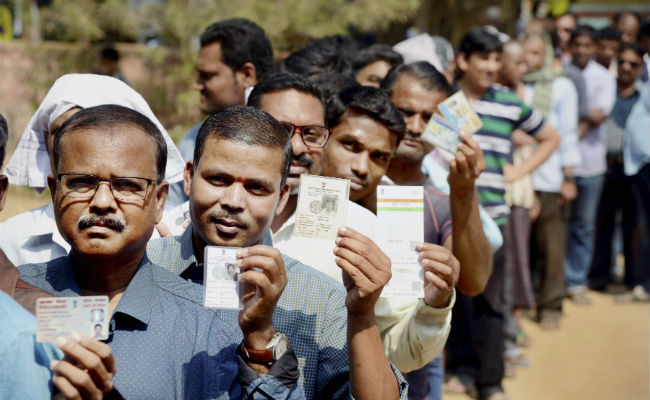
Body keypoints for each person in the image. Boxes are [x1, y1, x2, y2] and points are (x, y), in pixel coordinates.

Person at [19, 104, 303, 399]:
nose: (102, 201)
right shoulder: (13, 299)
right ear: (54, 192)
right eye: (81, 182)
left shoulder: (212, 324)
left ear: (159, 201)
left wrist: (259, 339)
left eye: (127, 185)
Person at [148, 105, 407, 399]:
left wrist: (362, 314)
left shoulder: (319, 300)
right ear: (190, 176)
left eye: (256, 188)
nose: (233, 201)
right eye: (218, 179)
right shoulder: (137, 268)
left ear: (281, 197)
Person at [247, 72, 456, 375]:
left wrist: (435, 305)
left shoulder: (368, 230)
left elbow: (399, 351)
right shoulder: (196, 219)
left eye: (309, 133)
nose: (296, 146)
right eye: (280, 129)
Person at [446, 27, 560, 400]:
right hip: (450, 218)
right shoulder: (446, 103)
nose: (492, 66)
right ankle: (459, 368)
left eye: (497, 59)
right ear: (463, 60)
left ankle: (490, 382)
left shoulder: (509, 102)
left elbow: (550, 137)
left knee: (492, 303)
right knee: (454, 297)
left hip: (493, 218)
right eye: (484, 58)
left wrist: (519, 172)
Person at [0, 74, 186, 267]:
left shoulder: (174, 239)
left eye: (125, 184)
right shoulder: (11, 238)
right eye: (62, 130)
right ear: (47, 140)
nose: (102, 201)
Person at [170, 18, 274, 205]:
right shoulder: (192, 140)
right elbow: (170, 209)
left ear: (247, 75)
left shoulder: (289, 141)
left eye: (208, 75)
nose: (197, 85)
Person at [521, 30, 581, 329]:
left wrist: (568, 177)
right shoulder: (513, 87)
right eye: (524, 53)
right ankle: (523, 304)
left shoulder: (562, 88)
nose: (528, 59)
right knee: (521, 247)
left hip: (548, 177)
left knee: (551, 245)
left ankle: (551, 305)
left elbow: (568, 133)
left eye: (535, 53)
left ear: (546, 55)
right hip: (516, 179)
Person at [590, 44, 650, 302]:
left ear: (640, 68)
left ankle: (635, 280)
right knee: (601, 222)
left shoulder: (645, 95)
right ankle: (599, 277)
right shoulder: (605, 91)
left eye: (633, 64)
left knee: (637, 225)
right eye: (622, 62)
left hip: (637, 168)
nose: (626, 67)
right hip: (605, 167)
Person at [565, 25, 616, 305]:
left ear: (594, 48)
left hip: (591, 165)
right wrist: (583, 118)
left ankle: (576, 281)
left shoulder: (603, 77)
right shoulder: (561, 72)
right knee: (560, 225)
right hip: (560, 165)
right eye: (578, 45)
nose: (582, 50)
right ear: (570, 47)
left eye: (587, 45)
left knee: (584, 225)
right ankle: (558, 277)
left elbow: (598, 116)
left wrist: (572, 122)